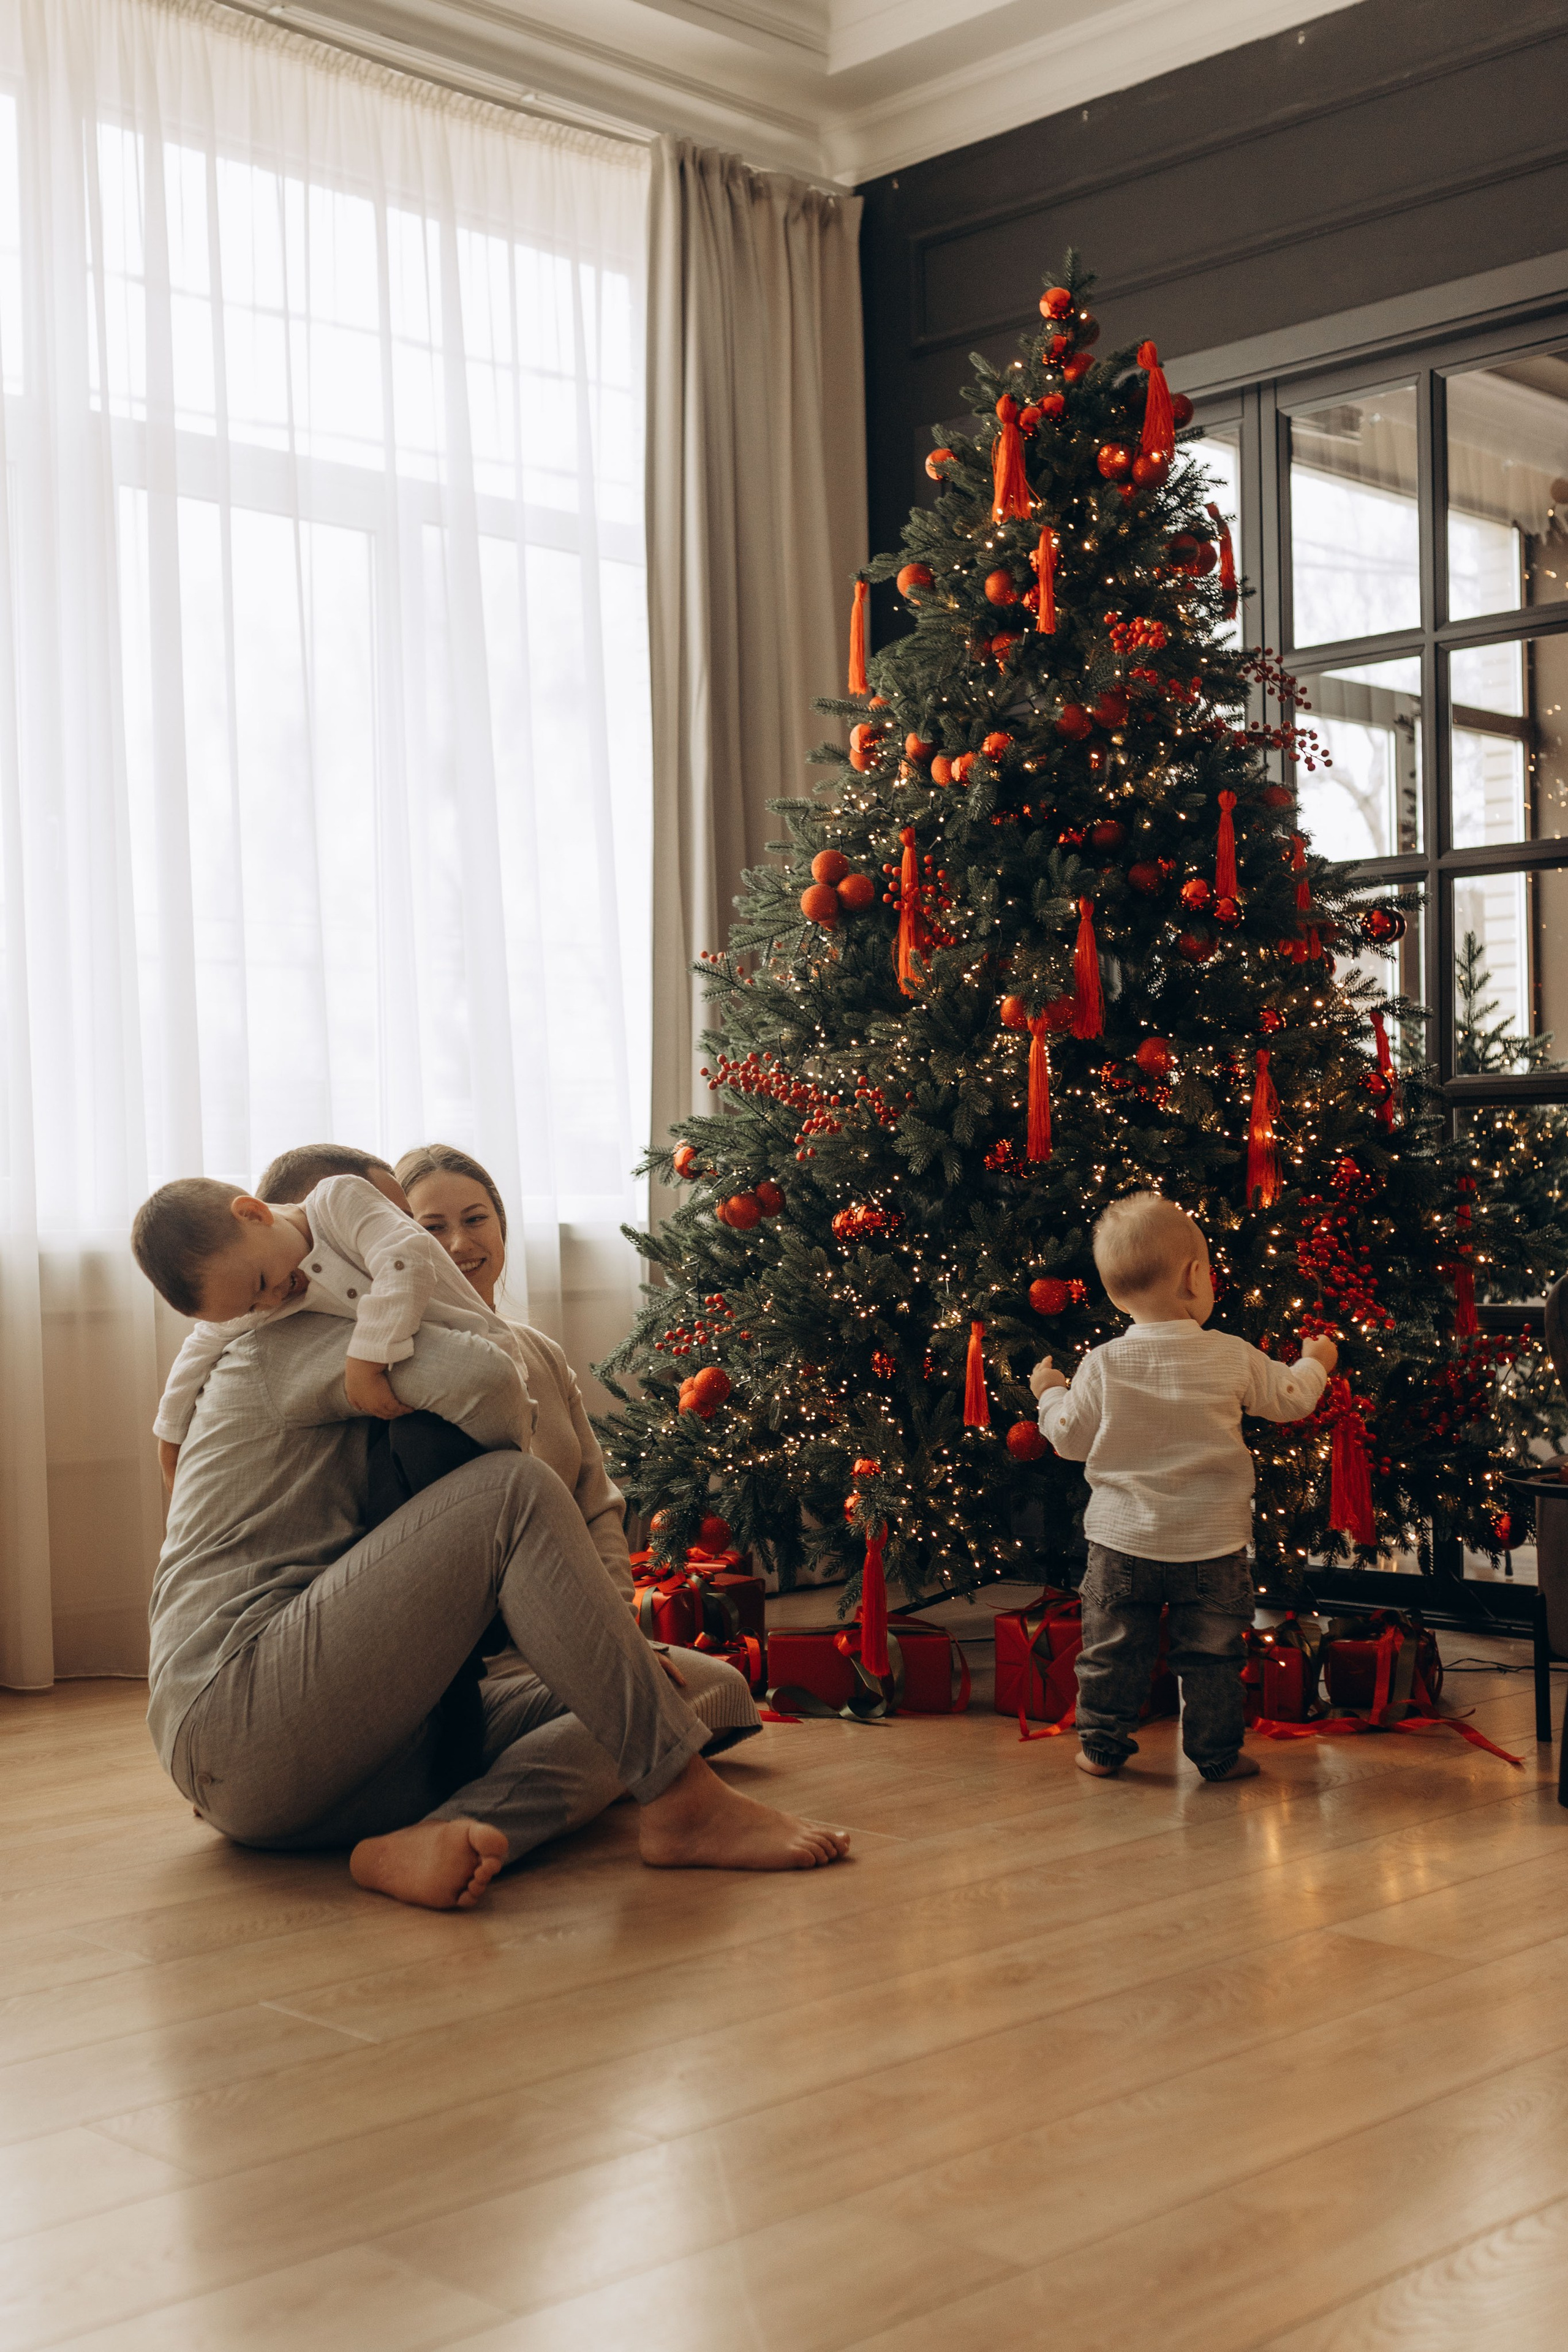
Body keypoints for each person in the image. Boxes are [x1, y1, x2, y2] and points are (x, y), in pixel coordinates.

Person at [148, 1295, 850, 1909]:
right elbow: (483, 1387)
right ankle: (683, 1799)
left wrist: (612, 1649)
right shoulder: (295, 1336)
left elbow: (587, 1503)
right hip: (245, 1718)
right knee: (513, 1489)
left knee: (692, 1687)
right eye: (394, 1228)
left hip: (370, 1751)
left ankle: (435, 1837)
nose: (414, 1256)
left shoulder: (418, 1354)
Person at [393, 1142, 761, 1751]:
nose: (460, 1243)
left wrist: (619, 1635)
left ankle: (606, 1738)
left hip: (584, 1630)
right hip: (475, 1659)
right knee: (660, 1713)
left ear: (502, 1228)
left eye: (475, 1219)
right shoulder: (402, 1369)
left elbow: (598, 1505)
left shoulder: (539, 1353)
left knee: (722, 1691)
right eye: (433, 1228)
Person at [1030, 1191, 1337, 1784]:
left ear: (1116, 1293)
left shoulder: (1102, 1362)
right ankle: (1216, 1753)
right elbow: (1291, 1399)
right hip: (1212, 1545)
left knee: (1113, 1650)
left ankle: (1101, 1745)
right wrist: (1316, 1360)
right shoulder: (1228, 1355)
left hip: (1121, 1545)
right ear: (1196, 1277)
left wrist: (1049, 1391)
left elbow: (1067, 1438)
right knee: (1212, 1656)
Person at [134, 1158, 536, 1488]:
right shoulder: (266, 1291)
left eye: (260, 1283)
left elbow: (406, 1259)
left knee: (462, 1468)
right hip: (415, 1409)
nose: (271, 1300)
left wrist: (366, 1361)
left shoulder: (337, 1199)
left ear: (254, 1213)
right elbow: (205, 1342)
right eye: (252, 1308)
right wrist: (170, 1434)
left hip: (482, 1360)